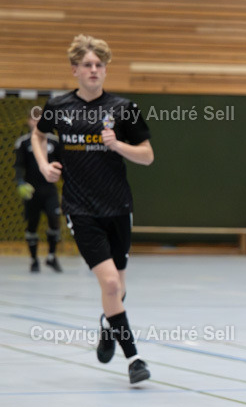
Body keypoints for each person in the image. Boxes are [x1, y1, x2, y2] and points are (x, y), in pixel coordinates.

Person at [33, 34, 154, 384]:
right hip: (80, 208)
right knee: (112, 284)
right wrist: (43, 166)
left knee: (117, 291)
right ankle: (135, 359)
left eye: (99, 65)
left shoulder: (123, 108)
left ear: (105, 70)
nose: (93, 70)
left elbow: (147, 156)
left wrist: (118, 145)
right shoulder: (58, 107)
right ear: (75, 69)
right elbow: (39, 137)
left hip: (118, 207)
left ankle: (107, 324)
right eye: (87, 64)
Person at [14, 108, 62, 273]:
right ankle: (34, 259)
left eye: (39, 119)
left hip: (49, 190)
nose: (36, 123)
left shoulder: (54, 142)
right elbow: (19, 165)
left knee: (54, 219)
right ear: (29, 121)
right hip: (32, 191)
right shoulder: (23, 143)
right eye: (33, 120)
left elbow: (62, 164)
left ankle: (51, 257)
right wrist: (20, 182)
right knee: (32, 224)